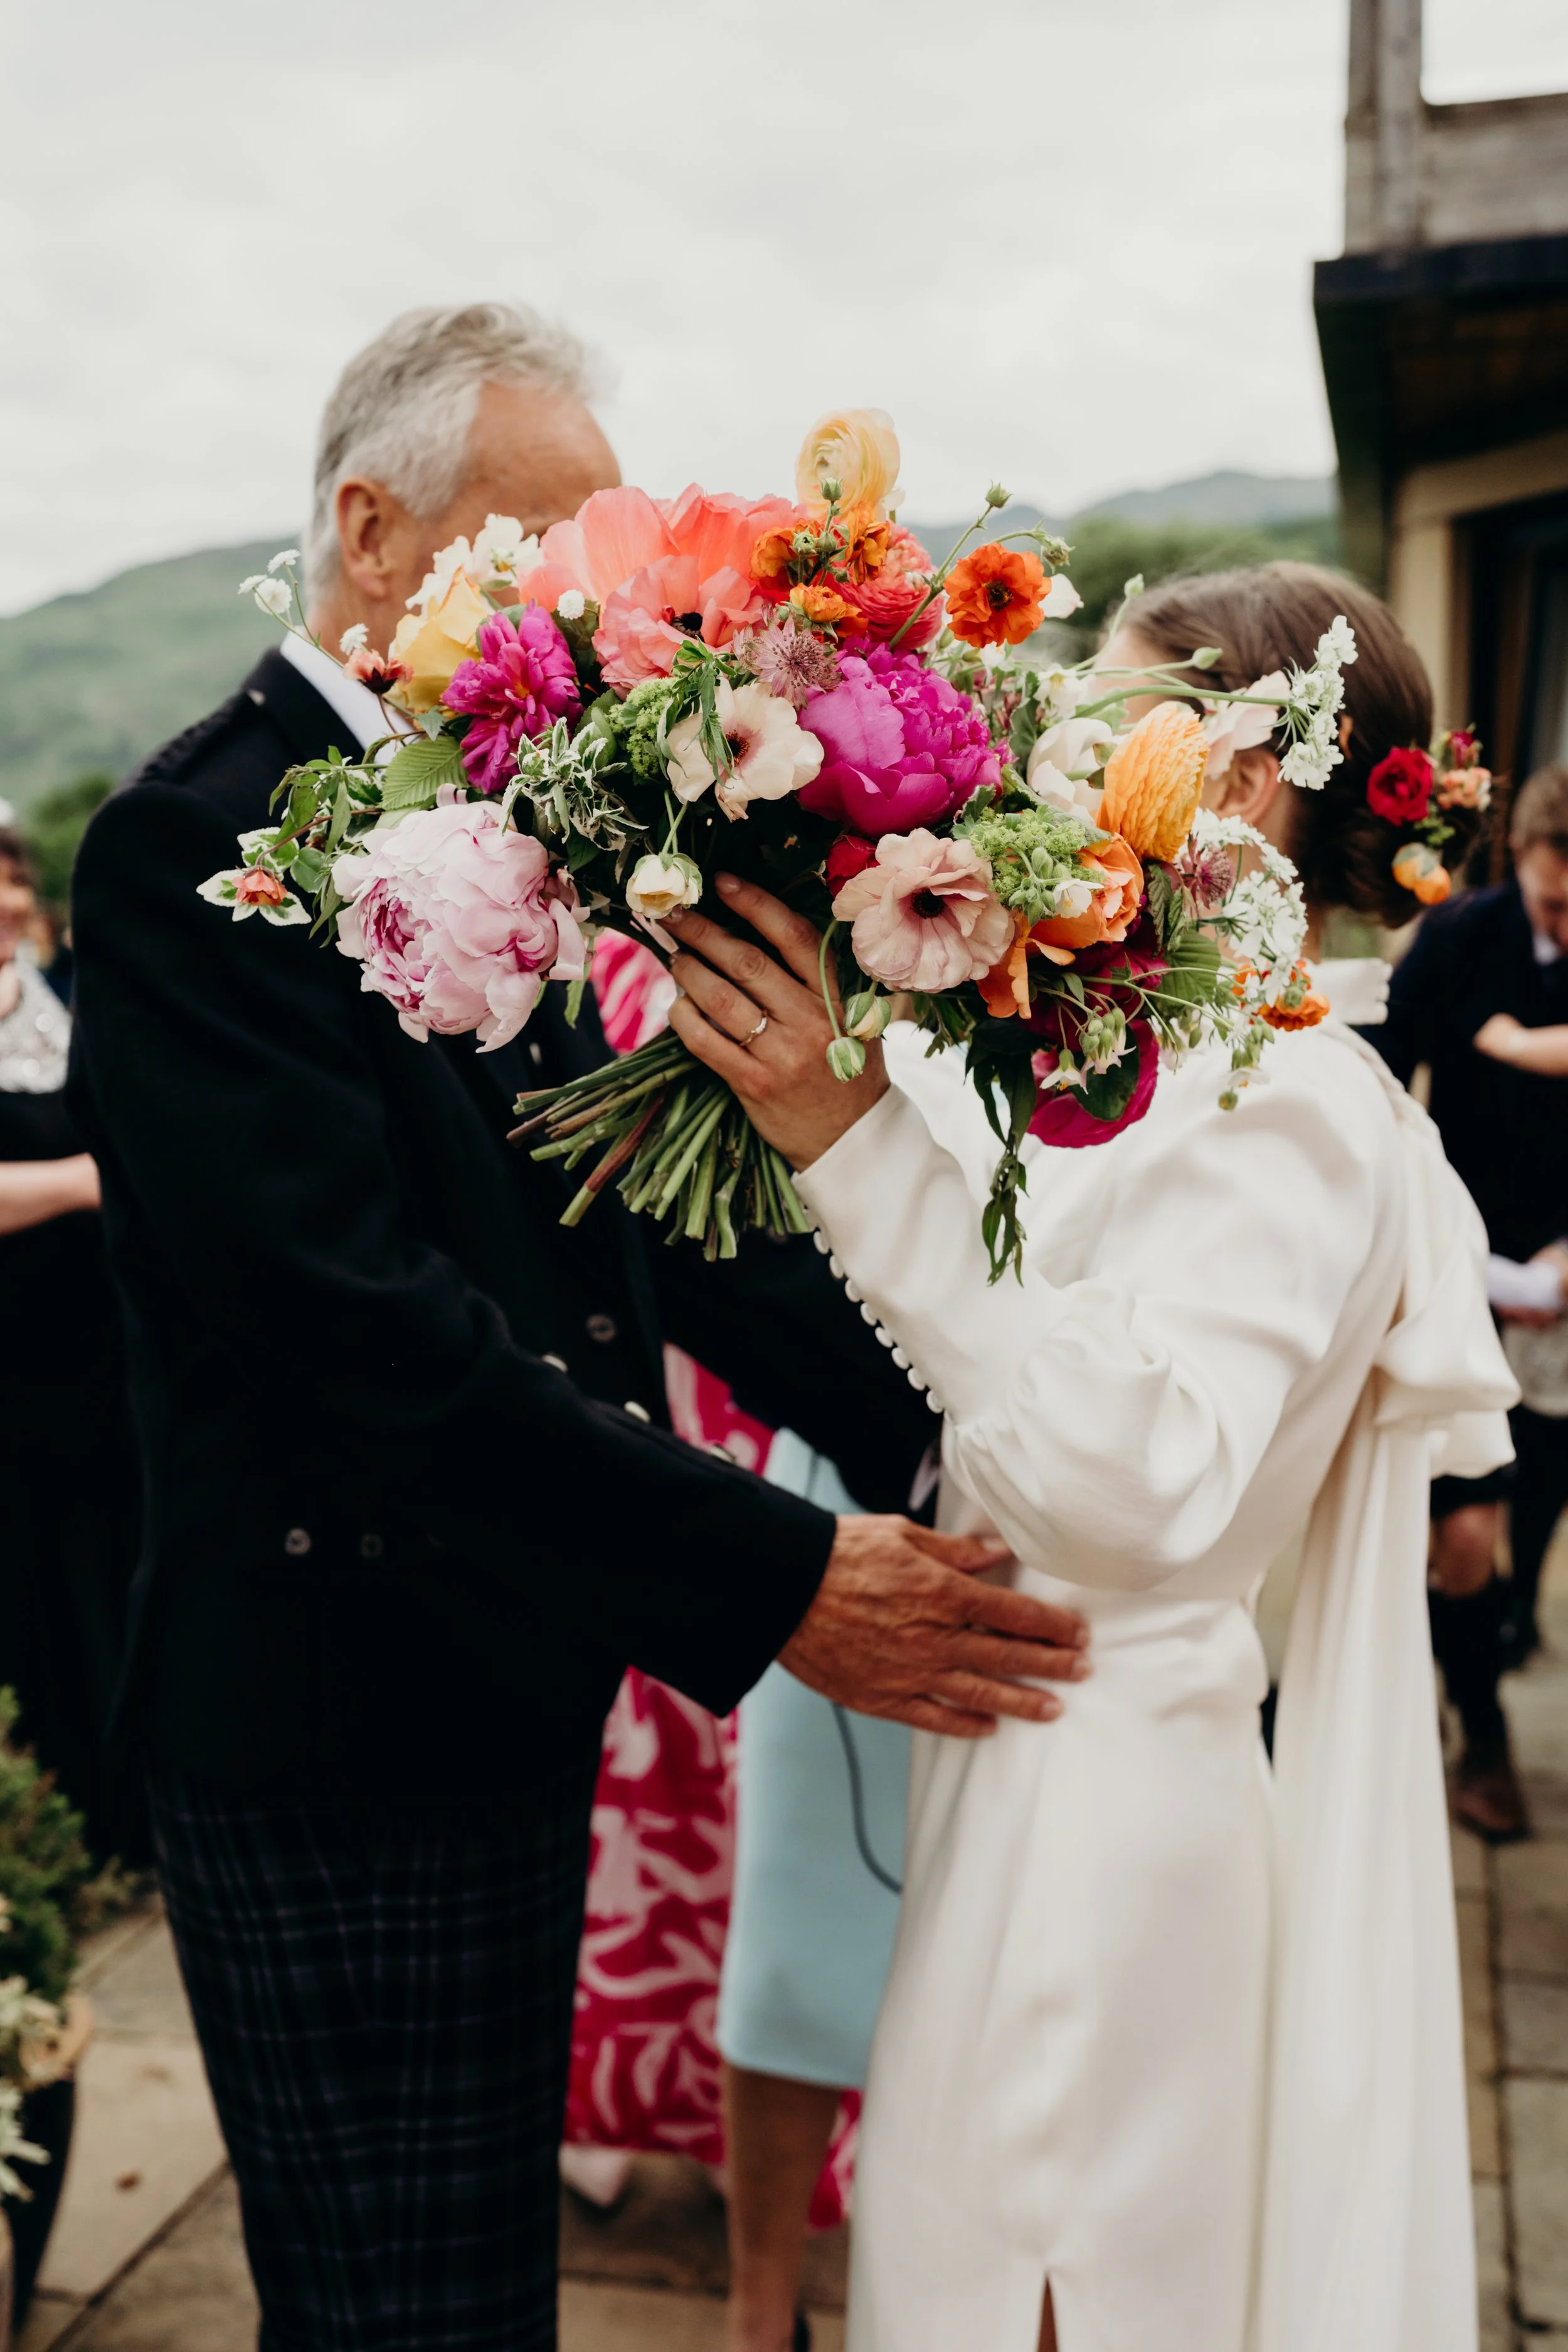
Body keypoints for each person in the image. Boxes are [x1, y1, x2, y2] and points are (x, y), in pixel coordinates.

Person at [65, 304, 1089, 2352]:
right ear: (371, 530)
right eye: (541, 552)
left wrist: (955, 1428)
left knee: (468, 2305)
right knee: (402, 2320)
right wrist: (783, 1576)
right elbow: (366, 1346)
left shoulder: (502, 833)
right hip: (339, 1719)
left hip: (500, 1688)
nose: (581, 614)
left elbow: (664, 1225)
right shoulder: (191, 848)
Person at [662, 561, 1516, 2352]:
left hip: (1100, 1792)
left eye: (1097, 714)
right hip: (1044, 1750)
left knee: (1039, 2283)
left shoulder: (1281, 1095)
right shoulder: (1178, 1056)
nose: (1044, 749)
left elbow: (1134, 1486)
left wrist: (854, 1150)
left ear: (1235, 771)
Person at [1370, 761, 1568, 1836]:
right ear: (1522, 870)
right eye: (1556, 905)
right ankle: (1477, 1727)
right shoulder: (1459, 941)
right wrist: (1470, 1265)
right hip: (1469, 1261)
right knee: (1467, 1518)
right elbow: (1380, 1095)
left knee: (1541, 1492)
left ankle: (1505, 1627)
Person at [0, 812, 139, 1863]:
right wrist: (91, 1184)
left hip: (101, 1343)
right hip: (14, 1361)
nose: (8, 899)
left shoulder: (60, 998)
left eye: (13, 877)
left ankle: (130, 1812)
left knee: (111, 1562)